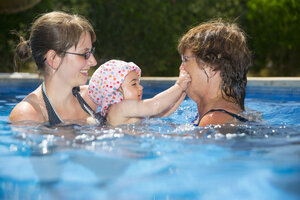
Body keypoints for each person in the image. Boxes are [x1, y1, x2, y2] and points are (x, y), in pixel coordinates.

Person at [9, 11, 98, 126]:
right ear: (53, 59)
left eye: (91, 52)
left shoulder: (92, 97)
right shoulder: (27, 115)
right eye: (84, 53)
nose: (93, 61)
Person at [177, 19, 252, 127]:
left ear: (212, 67)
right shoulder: (231, 114)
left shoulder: (215, 119)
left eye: (185, 60)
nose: (181, 68)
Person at [88, 59, 191, 126]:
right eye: (134, 84)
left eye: (139, 83)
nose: (141, 87)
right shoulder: (119, 107)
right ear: (115, 91)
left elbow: (163, 113)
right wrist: (179, 85)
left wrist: (183, 91)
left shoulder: (132, 111)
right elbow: (155, 106)